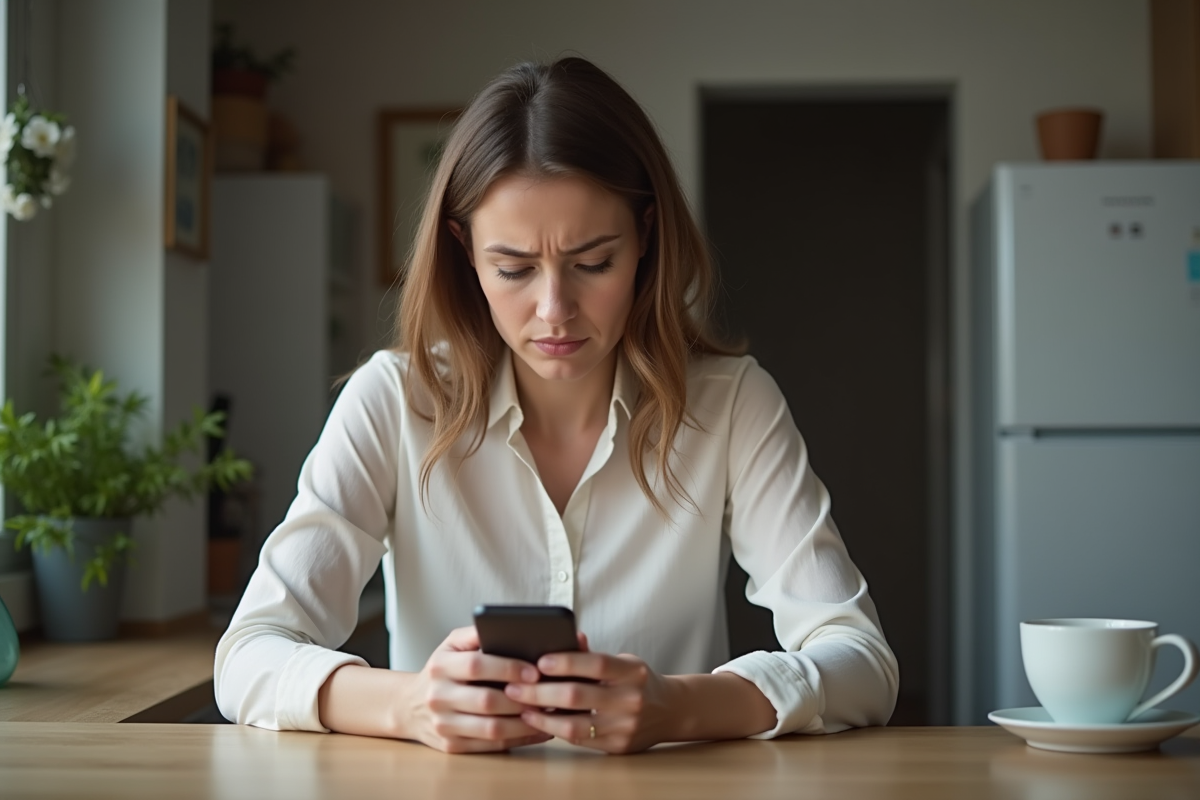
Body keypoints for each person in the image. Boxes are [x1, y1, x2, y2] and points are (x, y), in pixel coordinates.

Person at [214, 56, 898, 755]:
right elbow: (247, 658)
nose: (554, 311)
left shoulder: (731, 405)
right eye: (513, 268)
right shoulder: (391, 402)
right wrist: (409, 704)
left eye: (593, 262)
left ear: (645, 240)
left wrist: (680, 707)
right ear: (466, 255)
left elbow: (862, 665)